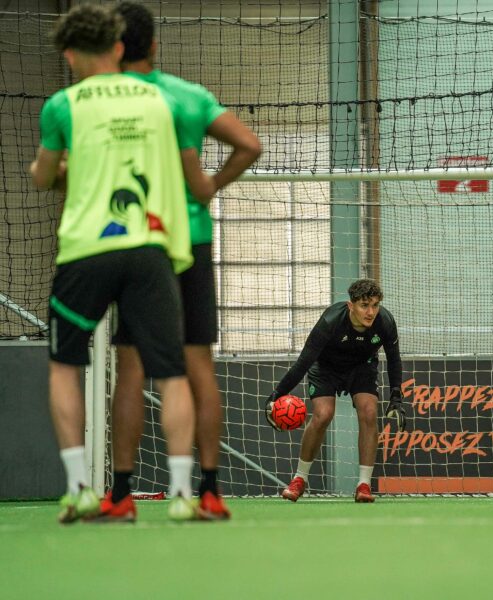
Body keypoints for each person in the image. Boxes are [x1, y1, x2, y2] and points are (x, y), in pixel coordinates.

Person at [30, 4, 216, 523]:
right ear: (117, 47)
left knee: (66, 366)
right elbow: (185, 168)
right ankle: (182, 495)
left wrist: (61, 166)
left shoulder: (62, 106)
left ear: (69, 55)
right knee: (171, 372)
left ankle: (80, 488)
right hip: (150, 252)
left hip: (85, 252)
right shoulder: (160, 102)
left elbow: (45, 177)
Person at [97, 1, 262, 522]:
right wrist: (208, 188)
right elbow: (249, 145)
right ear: (155, 46)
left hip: (133, 242)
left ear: (113, 48)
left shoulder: (99, 101)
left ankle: (120, 495)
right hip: (190, 240)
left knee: (131, 366)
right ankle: (208, 490)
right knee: (197, 366)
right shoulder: (187, 98)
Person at [265, 279, 406, 503]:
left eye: (375, 305)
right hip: (326, 368)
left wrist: (397, 395)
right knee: (323, 414)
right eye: (364, 305)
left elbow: (394, 360)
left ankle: (364, 485)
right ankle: (299, 479)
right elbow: (303, 362)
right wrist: (277, 394)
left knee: (369, 411)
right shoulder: (331, 320)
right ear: (351, 305)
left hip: (362, 367)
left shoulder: (385, 322)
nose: (371, 312)